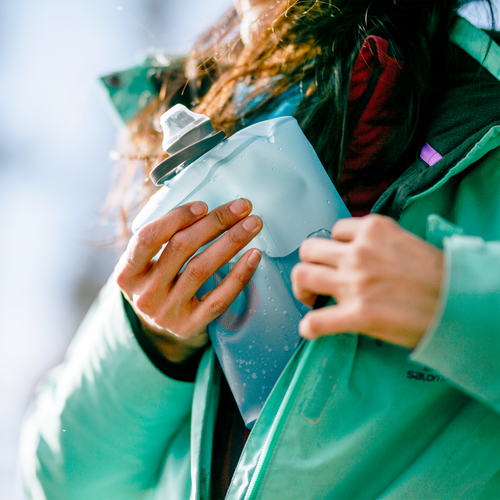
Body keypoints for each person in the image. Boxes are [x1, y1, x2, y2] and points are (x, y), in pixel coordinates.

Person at [19, 0, 500, 499]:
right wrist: (152, 344)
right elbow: (58, 484)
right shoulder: (214, 125)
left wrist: (454, 298)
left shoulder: (486, 122)